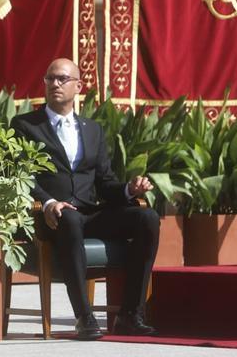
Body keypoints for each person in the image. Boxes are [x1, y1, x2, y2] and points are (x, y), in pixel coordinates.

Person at [10, 58, 160, 340]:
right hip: (50, 217)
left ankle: (130, 314)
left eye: (62, 79)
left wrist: (130, 189)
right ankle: (84, 316)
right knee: (69, 218)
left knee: (147, 218)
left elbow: (104, 183)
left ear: (78, 86)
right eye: (50, 78)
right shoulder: (25, 125)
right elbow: (19, 175)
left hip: (89, 213)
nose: (55, 84)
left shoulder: (92, 129)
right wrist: (49, 202)